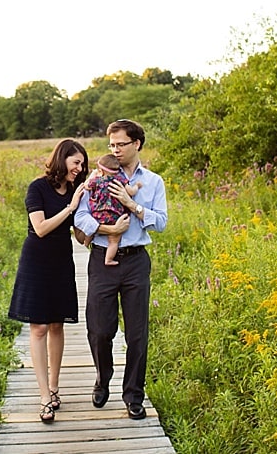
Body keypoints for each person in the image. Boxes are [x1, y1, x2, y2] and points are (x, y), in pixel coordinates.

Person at [74, 119, 167, 420]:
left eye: (121, 144)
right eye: (111, 145)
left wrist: (133, 204)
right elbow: (81, 217)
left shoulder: (152, 182)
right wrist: (106, 227)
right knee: (100, 329)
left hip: (136, 260)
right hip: (102, 258)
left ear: (137, 143)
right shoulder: (97, 177)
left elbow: (161, 222)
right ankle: (103, 378)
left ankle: (133, 395)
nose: (115, 149)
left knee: (137, 333)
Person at [7, 138, 88, 422]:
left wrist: (104, 230)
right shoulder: (38, 187)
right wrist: (70, 207)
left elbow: (79, 233)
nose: (79, 168)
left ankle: (55, 387)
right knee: (38, 327)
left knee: (57, 324)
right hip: (36, 260)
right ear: (62, 158)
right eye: (76, 162)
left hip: (61, 260)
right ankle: (43, 396)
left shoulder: (75, 191)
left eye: (82, 164)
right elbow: (40, 228)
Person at [83, 153, 141, 266]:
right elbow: (131, 192)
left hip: (98, 215)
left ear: (101, 170)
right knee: (114, 240)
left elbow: (86, 186)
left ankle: (86, 241)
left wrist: (93, 175)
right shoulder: (120, 179)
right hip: (115, 216)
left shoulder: (97, 180)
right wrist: (137, 186)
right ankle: (108, 259)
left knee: (93, 227)